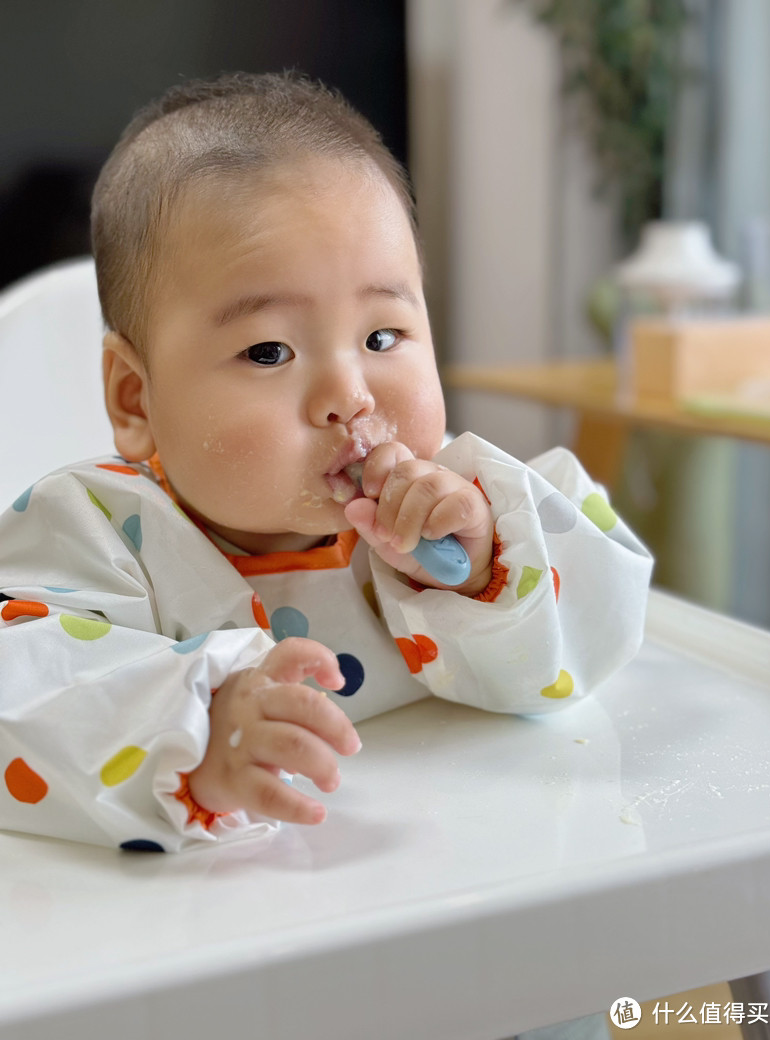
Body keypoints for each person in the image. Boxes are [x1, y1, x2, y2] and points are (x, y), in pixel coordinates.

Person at [0, 72, 653, 852]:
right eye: (269, 350)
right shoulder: (97, 531)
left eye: (382, 338)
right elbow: (28, 686)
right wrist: (196, 732)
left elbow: (591, 647)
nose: (350, 395)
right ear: (138, 401)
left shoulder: (471, 511)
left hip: (452, 880)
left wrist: (486, 577)